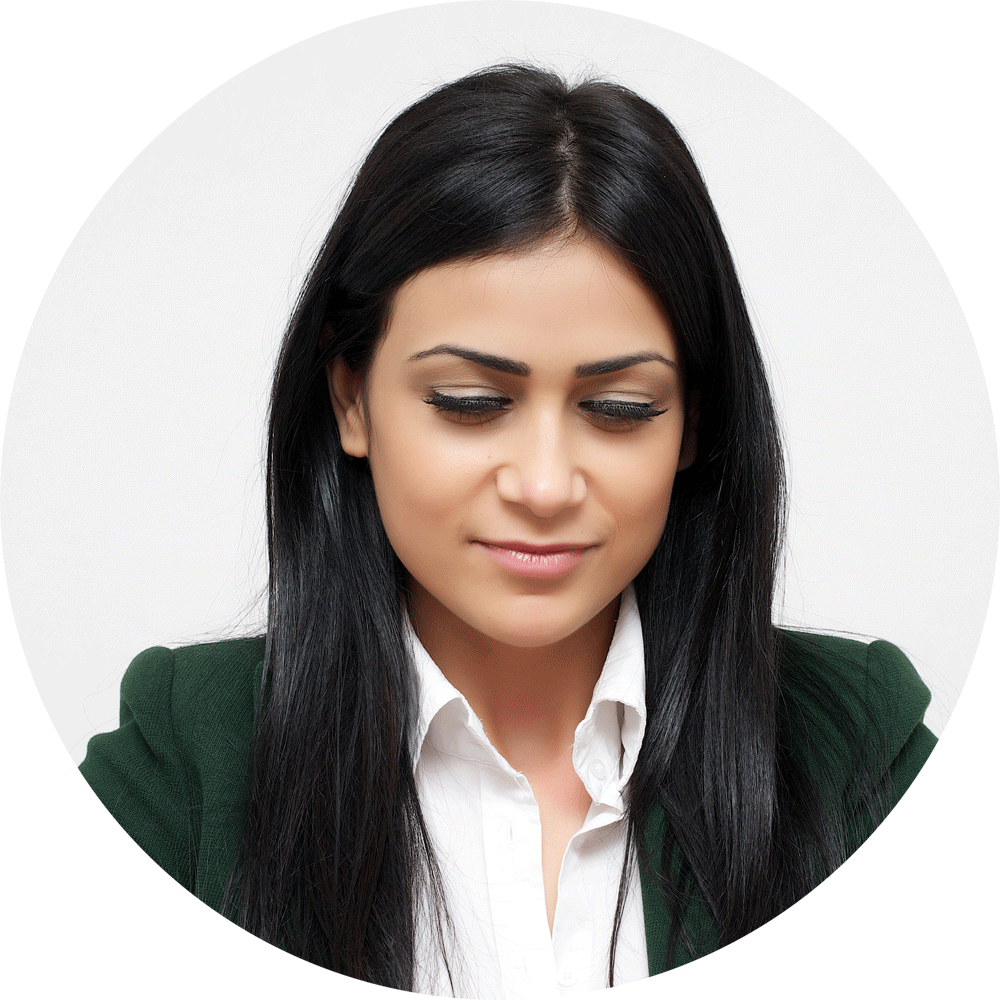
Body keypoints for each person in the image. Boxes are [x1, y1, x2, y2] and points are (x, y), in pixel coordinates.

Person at [79, 64, 936, 997]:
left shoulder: (857, 754)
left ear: (693, 422)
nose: (544, 485)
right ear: (351, 399)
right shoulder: (187, 766)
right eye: (470, 402)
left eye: (619, 408)